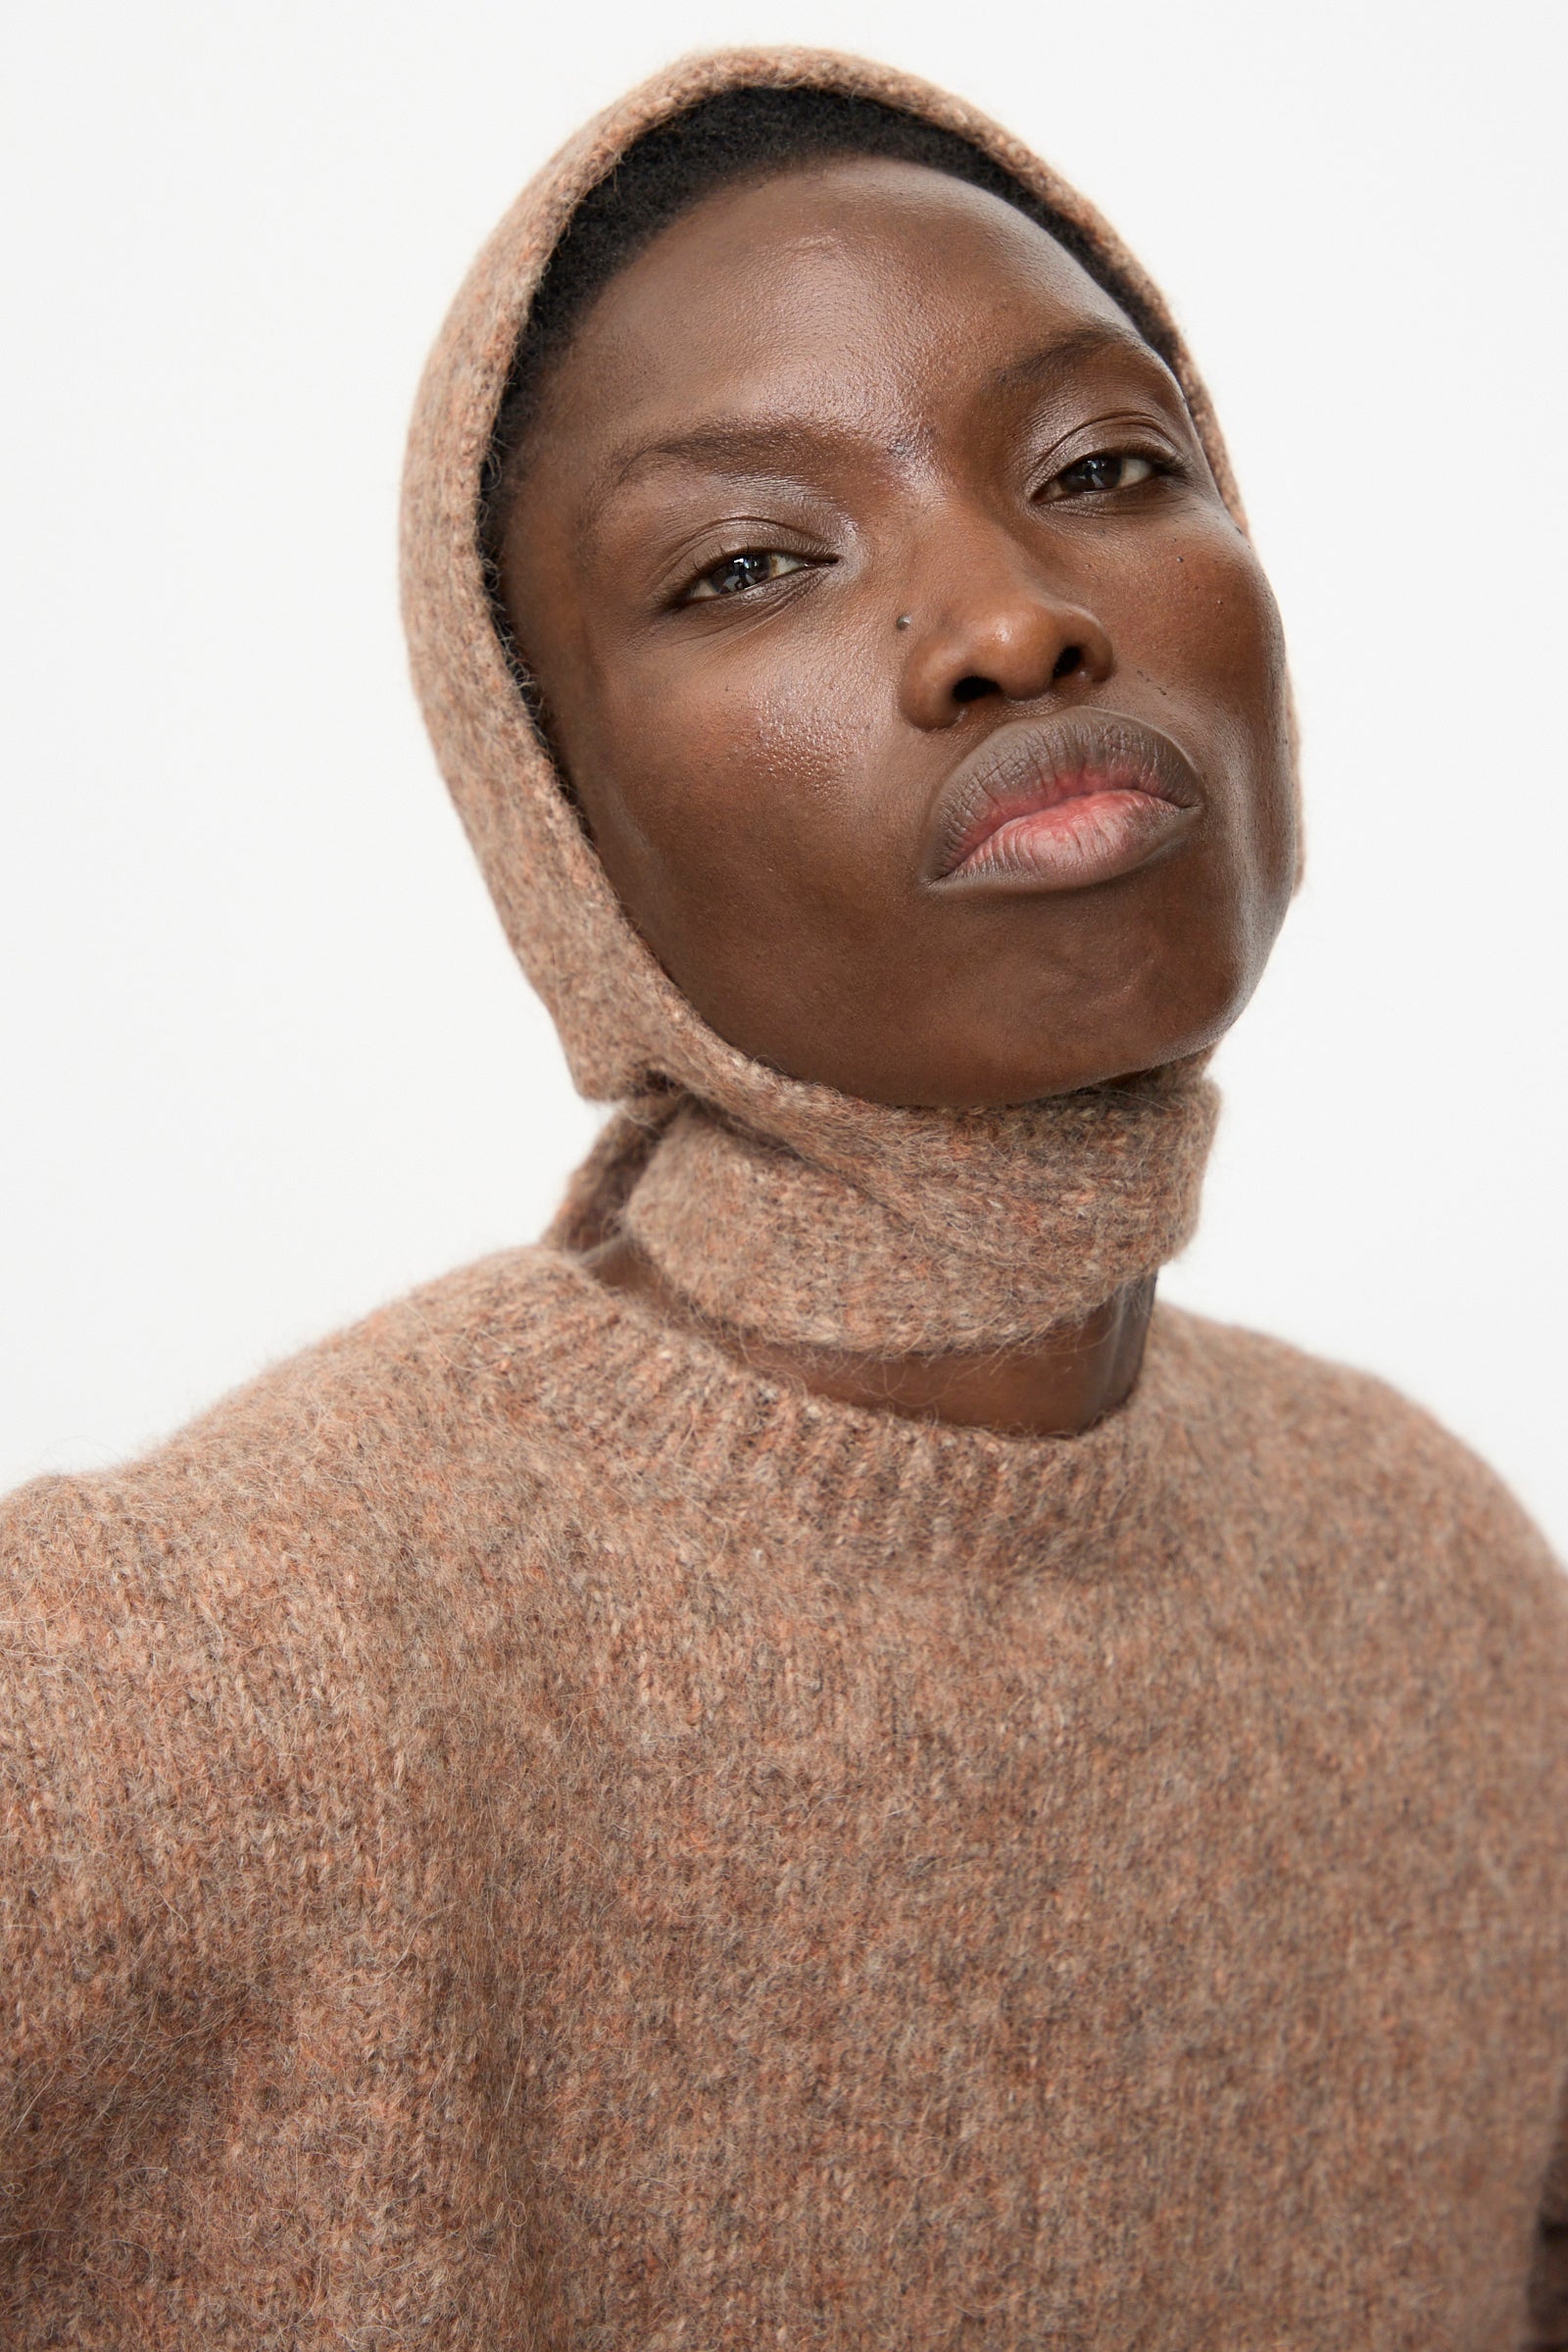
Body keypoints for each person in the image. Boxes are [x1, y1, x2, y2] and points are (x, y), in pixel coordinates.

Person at [3, 45, 1565, 2348]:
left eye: (1102, 465)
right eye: (746, 561)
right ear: (551, 814)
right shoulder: (174, 1679)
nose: (1009, 618)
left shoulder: (1435, 1577)